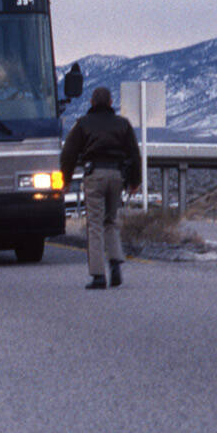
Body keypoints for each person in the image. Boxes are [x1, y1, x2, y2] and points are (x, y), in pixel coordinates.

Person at [60, 86, 142, 289]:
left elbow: (68, 154)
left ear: (91, 103)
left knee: (94, 224)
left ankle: (98, 275)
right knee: (111, 221)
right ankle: (115, 265)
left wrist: (66, 179)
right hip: (116, 176)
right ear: (111, 103)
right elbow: (134, 154)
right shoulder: (123, 124)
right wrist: (134, 182)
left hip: (94, 175)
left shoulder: (83, 124)